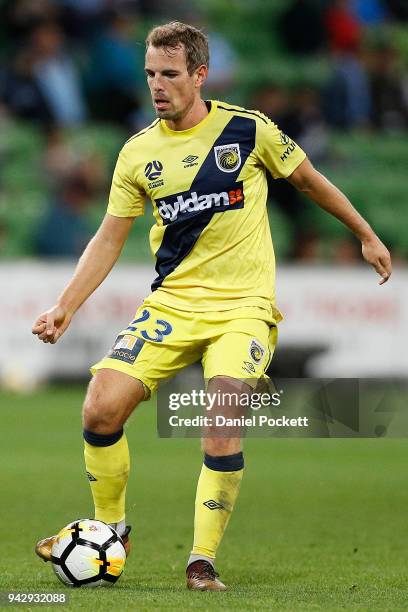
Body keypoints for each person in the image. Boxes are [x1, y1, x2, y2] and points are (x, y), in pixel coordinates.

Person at [32, 21, 392, 591]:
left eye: (170, 74)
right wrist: (65, 306)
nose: (157, 85)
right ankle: (111, 530)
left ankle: (201, 560)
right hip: (172, 305)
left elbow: (309, 180)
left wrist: (365, 233)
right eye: (150, 74)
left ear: (199, 74)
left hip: (242, 308)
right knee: (100, 410)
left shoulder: (248, 131)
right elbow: (108, 237)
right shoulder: (136, 153)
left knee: (219, 424)